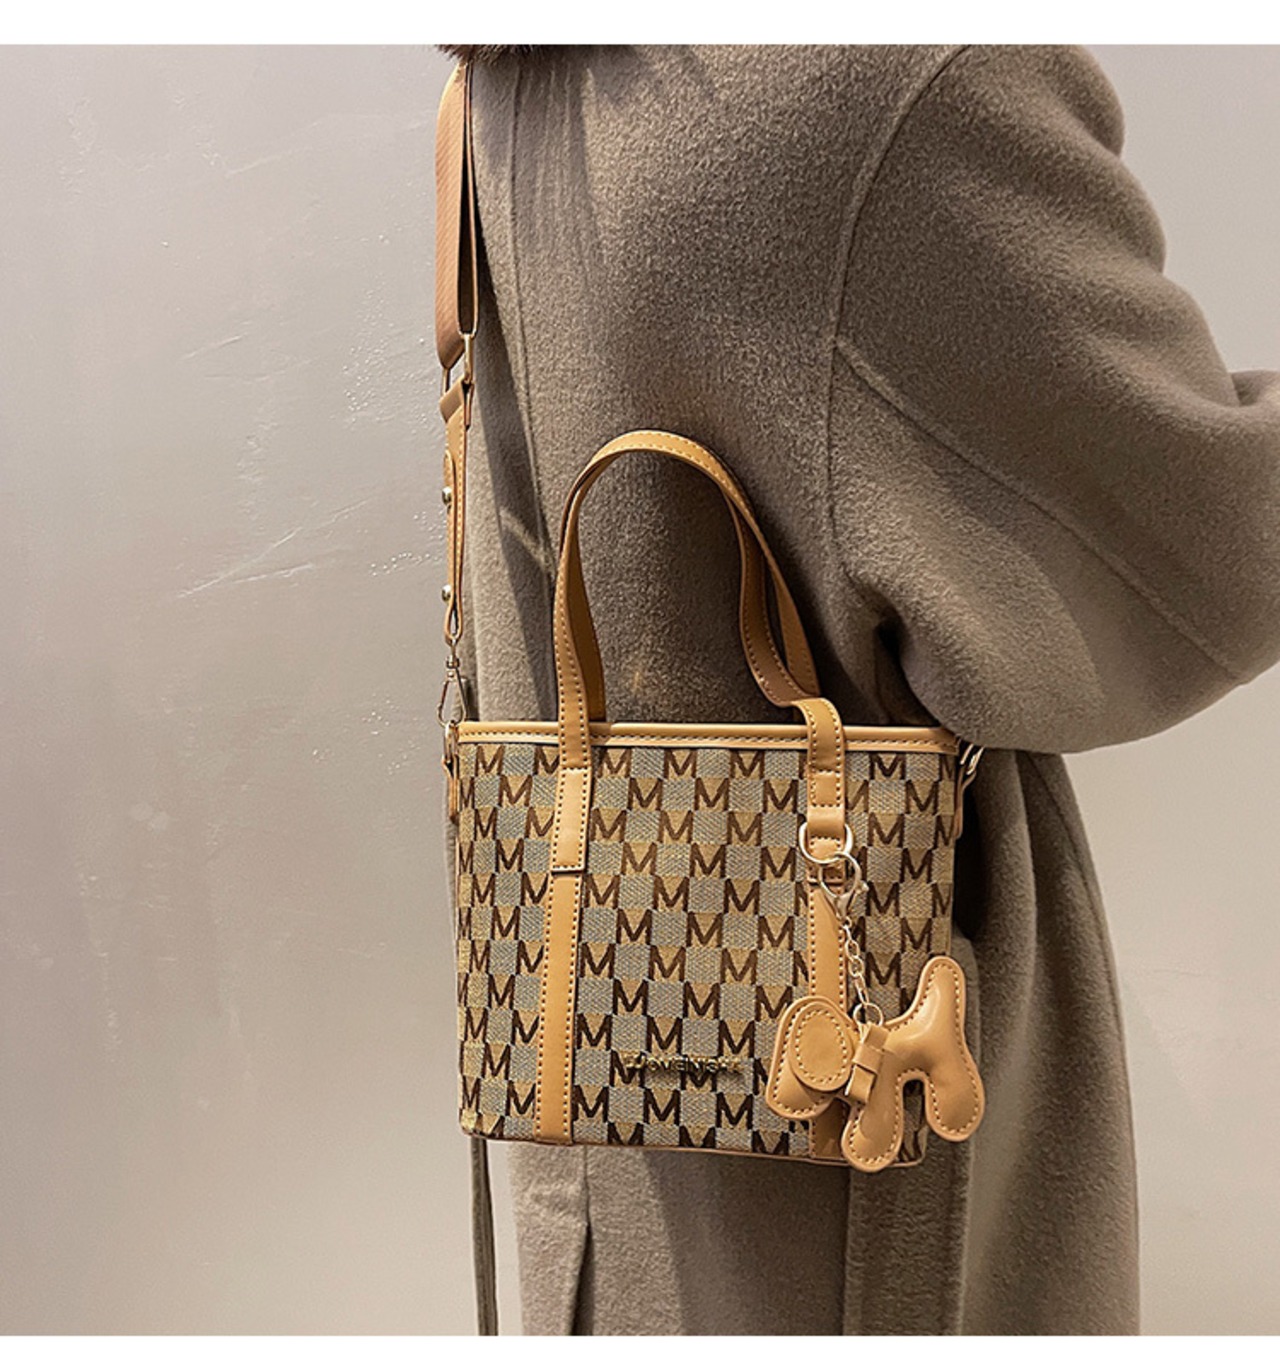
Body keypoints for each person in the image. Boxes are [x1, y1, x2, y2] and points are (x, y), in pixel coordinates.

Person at [435, 43, 1280, 1335]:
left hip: (598, 1125)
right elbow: (1208, 552)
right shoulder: (885, 79)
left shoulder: (506, 91)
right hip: (854, 1189)